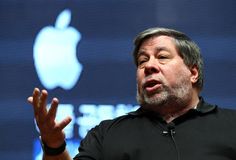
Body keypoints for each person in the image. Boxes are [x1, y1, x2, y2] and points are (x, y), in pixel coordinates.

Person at [28, 27, 236, 160]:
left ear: (193, 72)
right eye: (142, 61)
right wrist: (54, 145)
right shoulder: (106, 134)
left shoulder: (231, 125)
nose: (149, 66)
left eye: (162, 57)